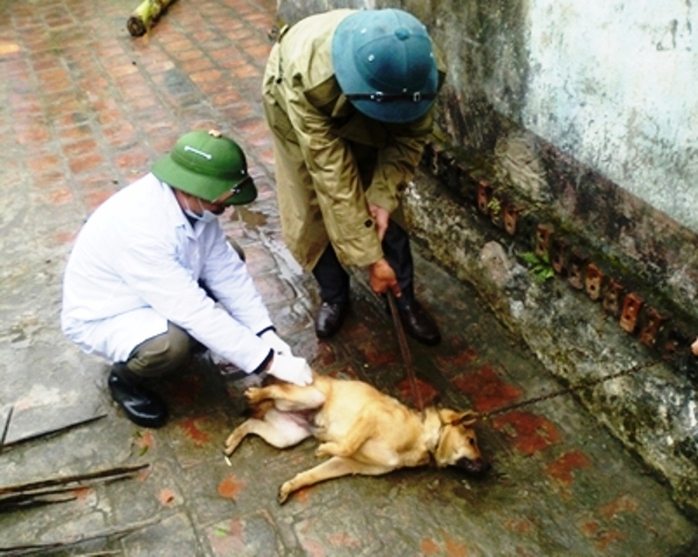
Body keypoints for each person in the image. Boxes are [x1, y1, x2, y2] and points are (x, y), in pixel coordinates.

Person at [61, 129, 312, 429]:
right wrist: (268, 361)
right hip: (110, 312)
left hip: (156, 289)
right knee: (171, 344)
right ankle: (125, 380)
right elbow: (192, 309)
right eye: (223, 200)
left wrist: (263, 331)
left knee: (232, 253)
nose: (227, 208)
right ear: (196, 189)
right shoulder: (140, 228)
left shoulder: (193, 206)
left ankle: (189, 342)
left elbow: (225, 269)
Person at [261, 7, 446, 346]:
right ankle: (334, 294)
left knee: (385, 208)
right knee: (312, 201)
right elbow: (331, 175)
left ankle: (403, 298)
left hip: (378, 95)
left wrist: (382, 197)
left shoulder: (422, 69)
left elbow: (408, 142)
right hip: (297, 104)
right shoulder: (309, 76)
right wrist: (371, 259)